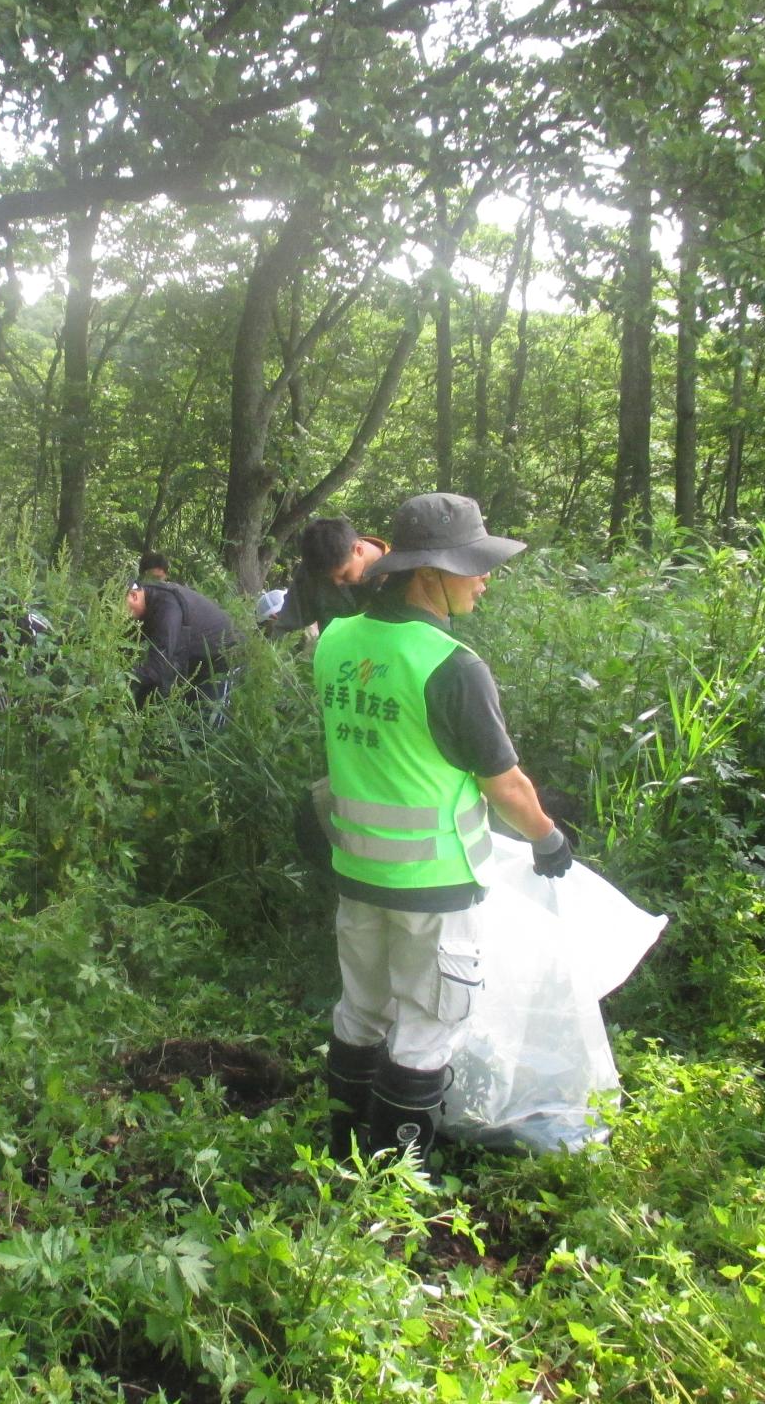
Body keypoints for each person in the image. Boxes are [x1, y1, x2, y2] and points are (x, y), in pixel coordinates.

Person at [313, 492, 572, 1171]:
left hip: (358, 874)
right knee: (426, 1032)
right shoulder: (450, 666)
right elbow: (505, 786)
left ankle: (340, 1159)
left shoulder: (336, 642)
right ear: (429, 573)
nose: (484, 577)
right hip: (436, 884)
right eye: (473, 565)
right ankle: (396, 1187)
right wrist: (547, 838)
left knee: (361, 1012)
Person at [125, 578, 241, 709]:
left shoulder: (167, 608)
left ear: (134, 596)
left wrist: (122, 679)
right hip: (200, 659)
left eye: (122, 607)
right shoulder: (148, 599)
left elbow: (160, 665)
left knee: (209, 717)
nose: (121, 614)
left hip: (228, 658)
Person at [274, 517, 390, 636]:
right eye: (328, 579)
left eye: (344, 574)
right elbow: (285, 630)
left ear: (358, 550)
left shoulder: (400, 576)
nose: (337, 583)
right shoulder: (314, 567)